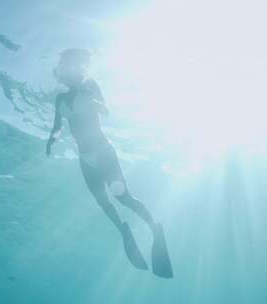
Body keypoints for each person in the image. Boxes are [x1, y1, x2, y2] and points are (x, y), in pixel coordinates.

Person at [46, 48, 173, 278]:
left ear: (81, 66)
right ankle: (124, 231)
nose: (69, 69)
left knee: (124, 198)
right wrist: (50, 140)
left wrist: (93, 100)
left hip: (103, 151)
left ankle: (154, 228)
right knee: (102, 201)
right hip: (85, 158)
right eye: (66, 66)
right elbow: (57, 126)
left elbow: (106, 111)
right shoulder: (61, 98)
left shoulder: (91, 85)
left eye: (74, 65)